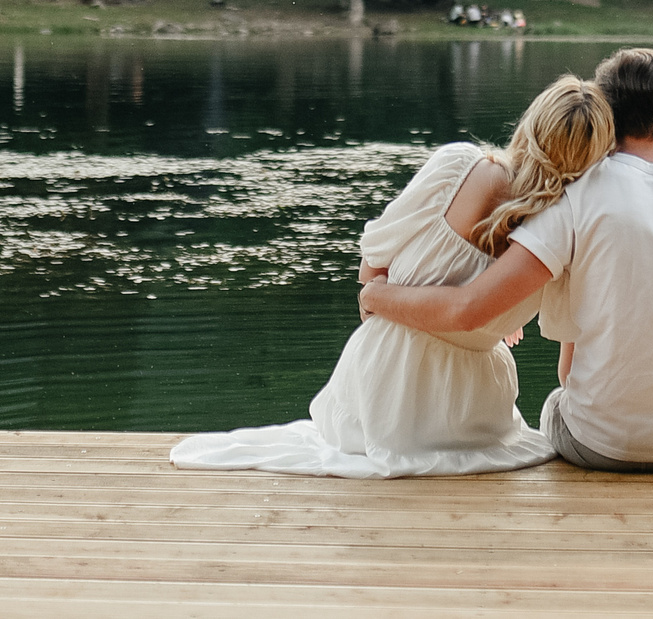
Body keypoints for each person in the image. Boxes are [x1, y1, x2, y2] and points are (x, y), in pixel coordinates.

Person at [361, 47, 653, 472]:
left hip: (598, 447)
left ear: (606, 113)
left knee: (560, 400)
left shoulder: (572, 199)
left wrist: (376, 294)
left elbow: (533, 348)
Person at [170, 76, 616, 478]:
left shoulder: (462, 167)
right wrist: (495, 318)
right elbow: (551, 330)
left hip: (387, 385)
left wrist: (376, 299)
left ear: (531, 125)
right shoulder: (571, 229)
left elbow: (374, 259)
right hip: (480, 410)